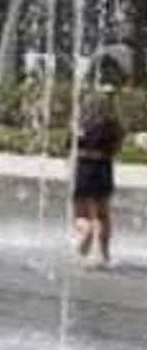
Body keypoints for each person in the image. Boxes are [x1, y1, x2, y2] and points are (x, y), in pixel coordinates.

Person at [72, 94, 123, 268]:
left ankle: (87, 234)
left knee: (81, 213)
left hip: (85, 169)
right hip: (104, 169)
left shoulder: (81, 124)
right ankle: (104, 254)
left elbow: (69, 145)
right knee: (103, 214)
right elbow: (117, 148)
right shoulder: (112, 126)